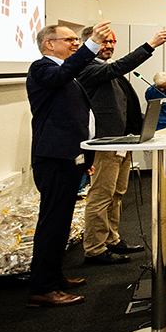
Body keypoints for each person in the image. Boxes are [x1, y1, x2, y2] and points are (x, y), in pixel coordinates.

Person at [24, 21, 115, 307]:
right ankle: (42, 287)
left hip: (68, 156)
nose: (75, 43)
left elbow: (78, 116)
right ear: (48, 43)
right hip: (53, 157)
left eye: (78, 40)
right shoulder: (42, 68)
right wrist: (91, 45)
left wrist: (85, 157)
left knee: (61, 222)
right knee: (52, 222)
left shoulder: (66, 72)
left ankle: (53, 275)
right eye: (69, 40)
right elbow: (62, 75)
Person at [77, 27, 166, 265]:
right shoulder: (86, 67)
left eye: (111, 42)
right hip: (105, 144)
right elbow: (118, 68)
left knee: (117, 193)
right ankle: (95, 248)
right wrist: (150, 45)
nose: (108, 46)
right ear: (90, 43)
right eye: (103, 42)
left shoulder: (107, 68)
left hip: (123, 141)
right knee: (101, 196)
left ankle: (111, 239)